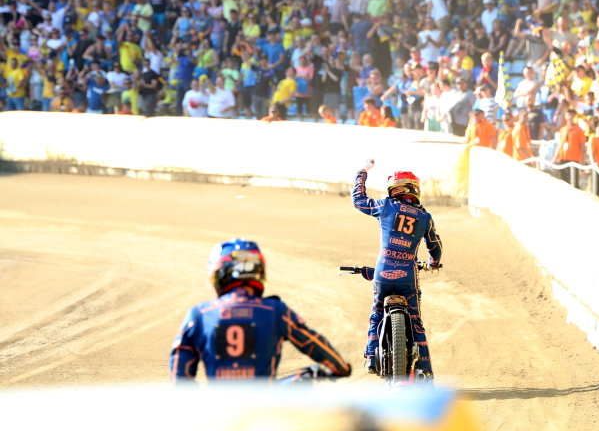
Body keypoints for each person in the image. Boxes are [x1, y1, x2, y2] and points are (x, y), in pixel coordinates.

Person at [169, 238, 351, 382]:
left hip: (221, 411)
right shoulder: (275, 311)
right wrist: (341, 367)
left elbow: (179, 375)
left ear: (219, 274)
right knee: (305, 379)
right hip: (263, 407)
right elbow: (312, 342)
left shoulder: (198, 315)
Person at [352, 161, 442, 378]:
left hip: (382, 273)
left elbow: (359, 200)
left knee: (376, 313)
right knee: (416, 323)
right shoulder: (425, 217)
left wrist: (362, 173)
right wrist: (433, 263)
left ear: (394, 189)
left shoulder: (385, 206)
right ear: (416, 191)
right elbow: (435, 247)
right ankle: (424, 371)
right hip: (408, 277)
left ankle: (371, 358)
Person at [554, 108, 586, 186]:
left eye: (571, 115)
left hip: (574, 160)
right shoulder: (562, 129)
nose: (570, 117)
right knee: (563, 182)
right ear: (565, 116)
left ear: (574, 116)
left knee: (574, 183)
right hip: (563, 159)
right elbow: (560, 145)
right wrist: (554, 159)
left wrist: (583, 162)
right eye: (568, 115)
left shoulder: (579, 130)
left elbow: (583, 148)